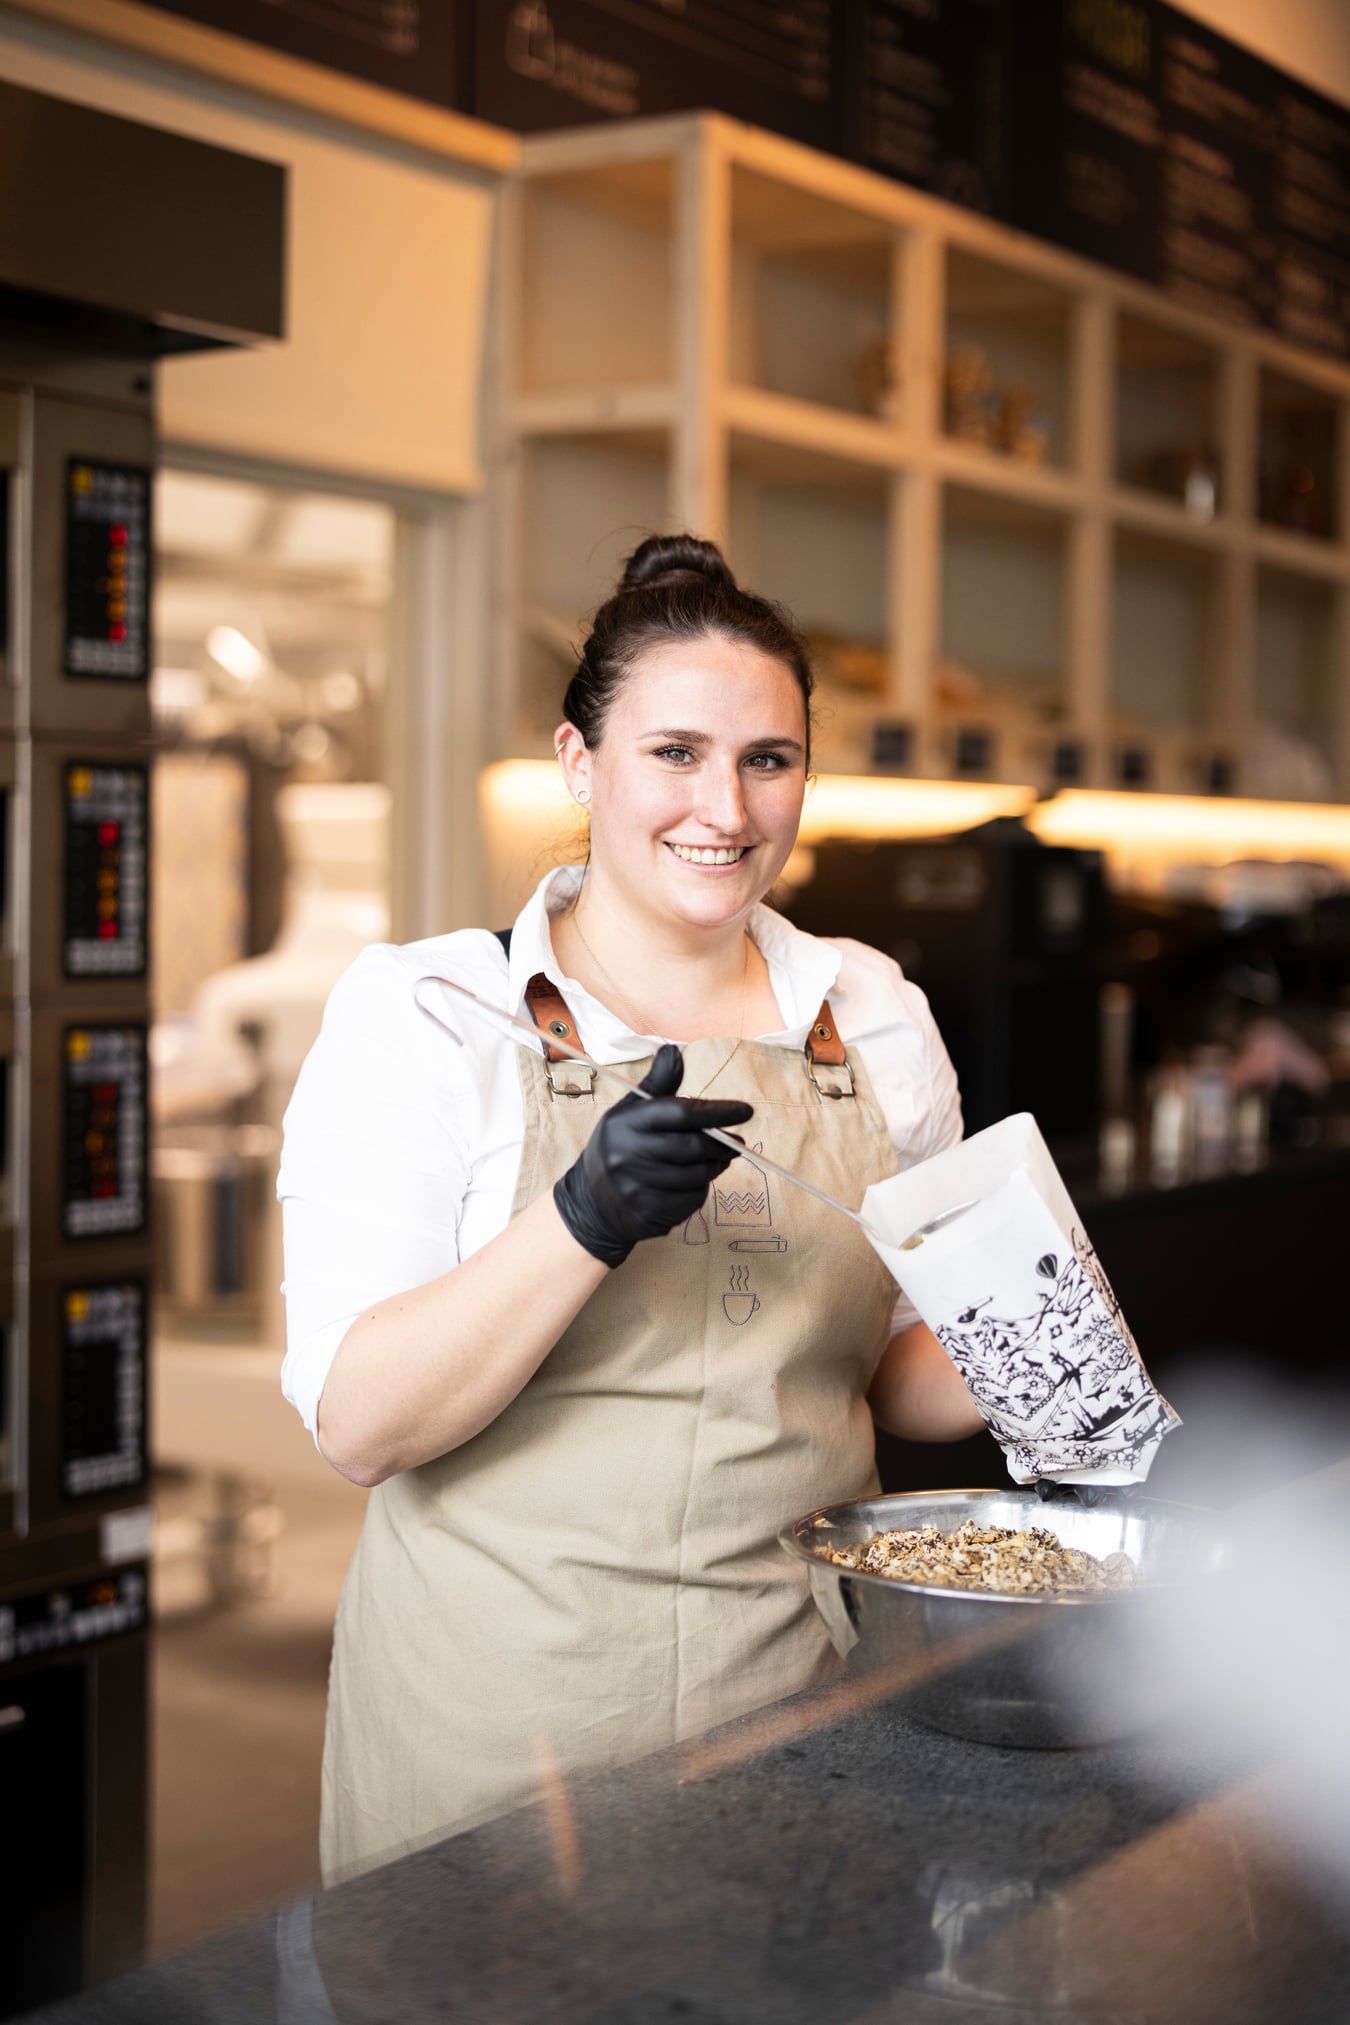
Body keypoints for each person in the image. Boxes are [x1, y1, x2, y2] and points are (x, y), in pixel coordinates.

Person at [279, 534, 983, 1885]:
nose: (725, 804)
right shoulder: (431, 1015)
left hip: (804, 1708)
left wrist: (1041, 1332)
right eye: (673, 751)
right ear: (576, 761)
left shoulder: (873, 1014)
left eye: (767, 758)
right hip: (499, 1743)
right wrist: (581, 1217)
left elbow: (900, 1377)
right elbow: (362, 1424)